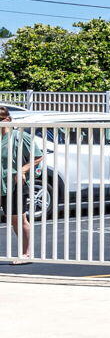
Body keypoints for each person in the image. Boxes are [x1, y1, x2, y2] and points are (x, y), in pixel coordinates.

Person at [0, 105, 46, 263]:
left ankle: (26, 254)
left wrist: (23, 170)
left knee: (18, 219)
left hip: (14, 184)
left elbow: (38, 156)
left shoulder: (19, 136)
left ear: (7, 120)